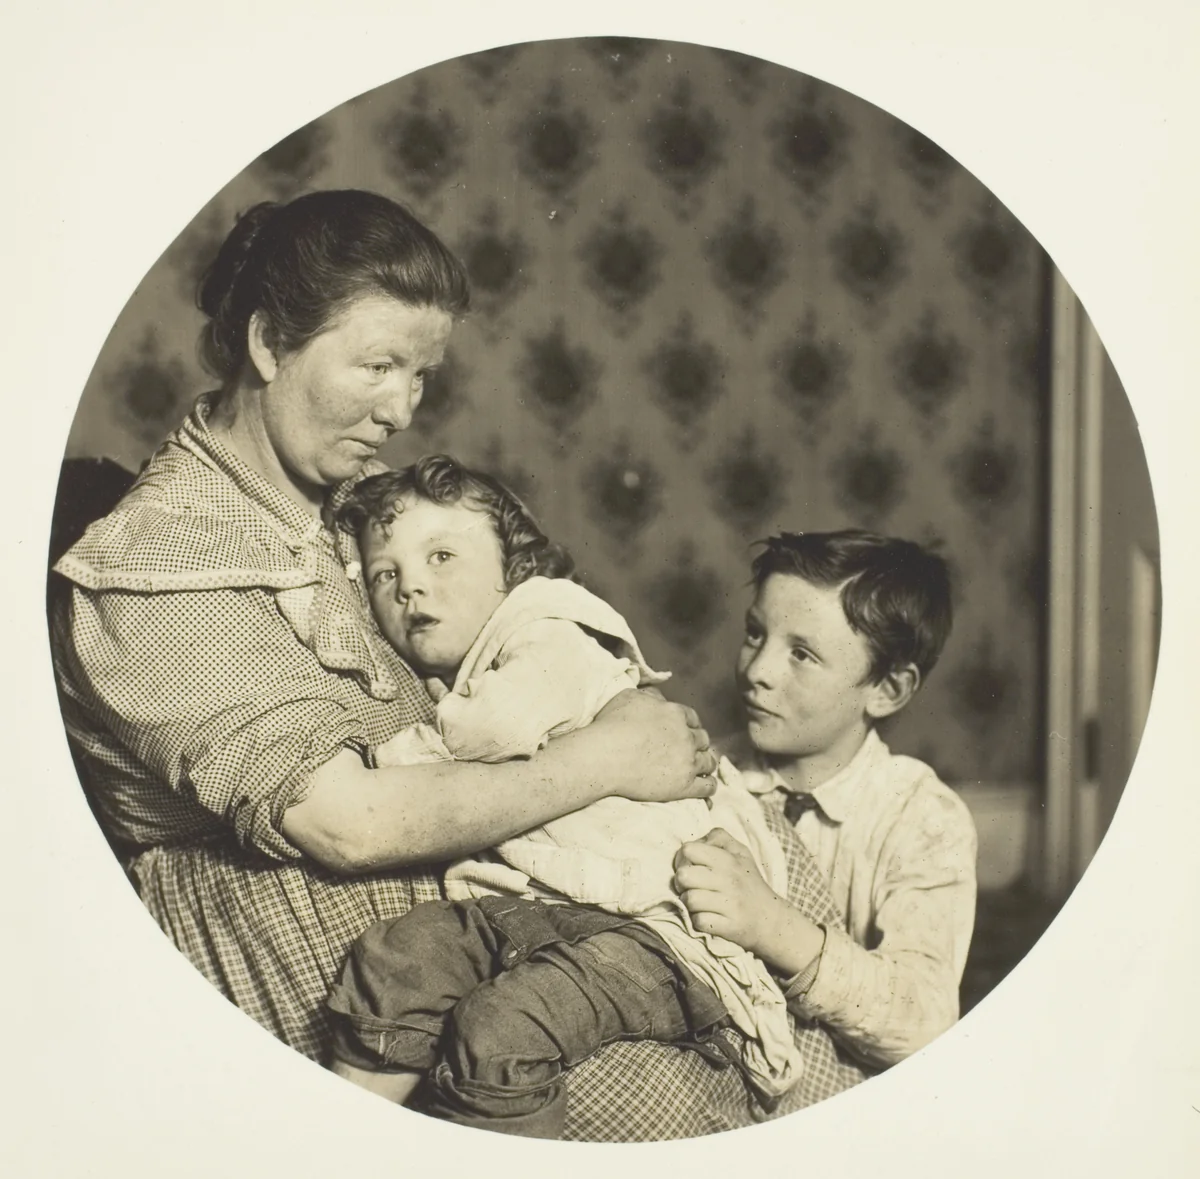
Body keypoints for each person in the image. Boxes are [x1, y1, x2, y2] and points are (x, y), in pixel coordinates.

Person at [48, 188, 866, 1140]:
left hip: (484, 917)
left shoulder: (338, 506)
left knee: (810, 1070)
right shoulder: (151, 566)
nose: (402, 409)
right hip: (327, 970)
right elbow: (342, 824)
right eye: (379, 365)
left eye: (421, 375)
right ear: (270, 344)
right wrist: (608, 758)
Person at [322, 455, 804, 1137]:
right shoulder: (464, 673)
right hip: (539, 907)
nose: (412, 587)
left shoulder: (548, 630)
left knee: (500, 1030)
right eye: (385, 574)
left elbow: (497, 726)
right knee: (398, 957)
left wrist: (387, 758)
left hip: (652, 930)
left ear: (513, 569)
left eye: (442, 556)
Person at [673, 531, 978, 1068]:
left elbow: (927, 1022)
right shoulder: (709, 773)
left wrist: (773, 928)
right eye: (754, 633)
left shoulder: (923, 817)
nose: (756, 671)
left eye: (802, 654)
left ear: (887, 690)